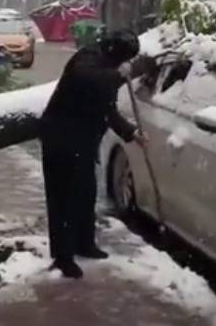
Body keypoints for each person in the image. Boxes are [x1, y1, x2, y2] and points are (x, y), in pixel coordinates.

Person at [40, 28, 155, 279]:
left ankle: (84, 243)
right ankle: (63, 256)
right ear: (114, 51)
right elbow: (87, 79)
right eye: (123, 59)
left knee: (85, 192)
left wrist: (131, 132)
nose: (124, 65)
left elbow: (107, 110)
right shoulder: (87, 58)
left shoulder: (108, 68)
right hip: (60, 137)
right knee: (63, 198)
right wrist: (118, 75)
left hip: (83, 140)